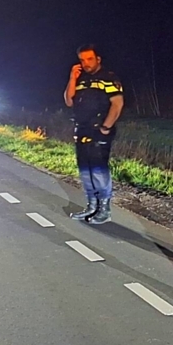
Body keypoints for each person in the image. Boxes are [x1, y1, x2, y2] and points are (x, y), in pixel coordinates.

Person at [63, 44, 124, 225]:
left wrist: (105, 127)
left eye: (89, 59)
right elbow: (69, 101)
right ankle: (91, 206)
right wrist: (72, 78)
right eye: (82, 60)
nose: (86, 63)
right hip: (82, 129)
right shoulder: (81, 79)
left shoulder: (108, 78)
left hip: (99, 130)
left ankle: (104, 210)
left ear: (98, 59)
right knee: (85, 170)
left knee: (98, 170)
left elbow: (117, 104)